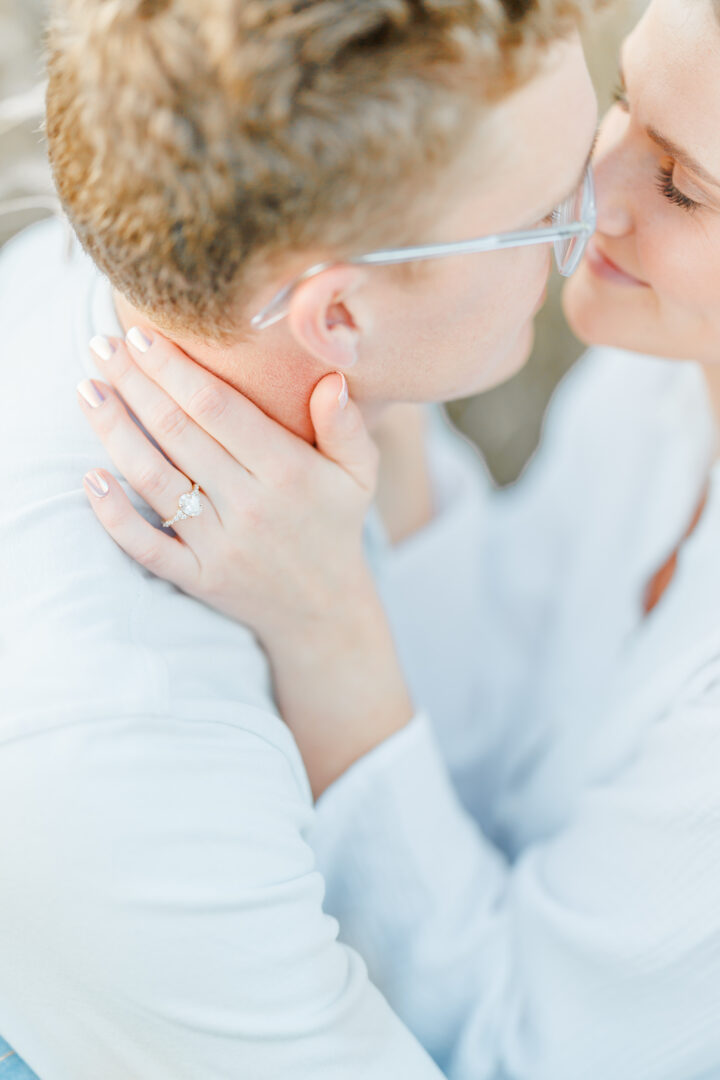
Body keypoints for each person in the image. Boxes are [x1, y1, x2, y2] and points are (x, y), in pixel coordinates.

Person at [55, 0, 720, 1077]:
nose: (595, 189)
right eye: (625, 101)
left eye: (685, 186)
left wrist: (327, 627)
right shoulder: (663, 387)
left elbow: (522, 1053)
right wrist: (382, 425)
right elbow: (508, 711)